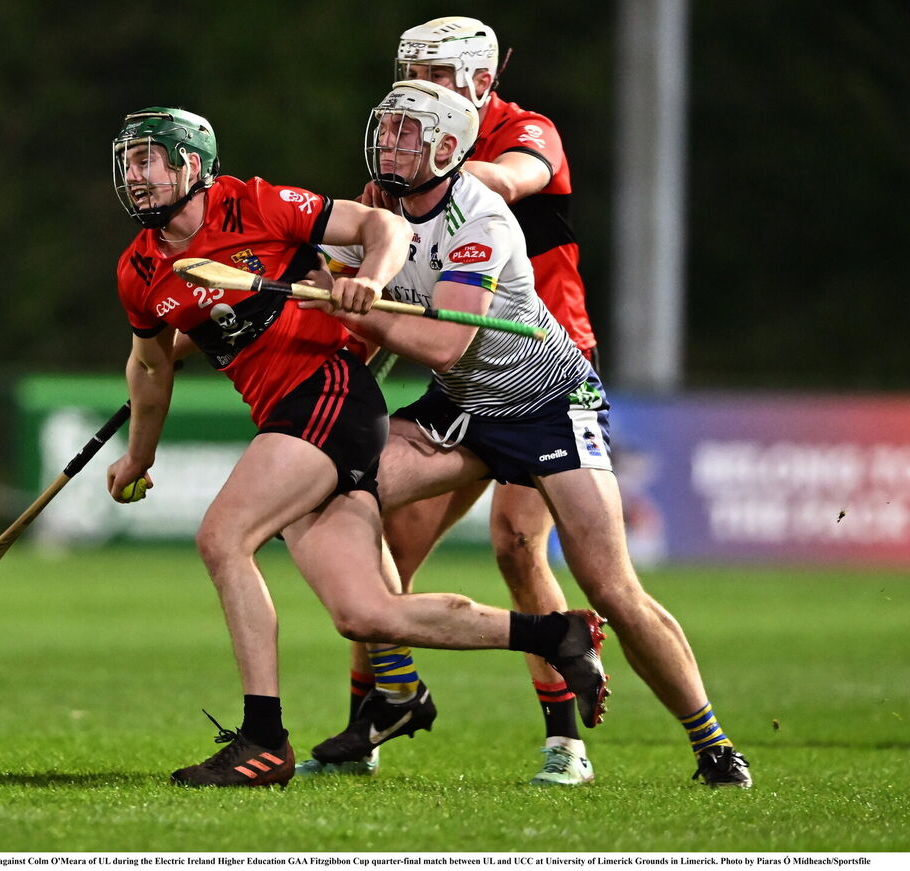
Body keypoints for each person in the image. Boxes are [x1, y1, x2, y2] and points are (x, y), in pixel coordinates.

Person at [105, 106, 610, 788]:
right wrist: (140, 454)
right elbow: (151, 366)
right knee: (365, 612)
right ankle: (555, 635)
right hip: (286, 412)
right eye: (128, 163)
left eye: (148, 161)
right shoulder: (138, 269)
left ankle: (263, 739)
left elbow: (384, 225)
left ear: (190, 165)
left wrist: (368, 279)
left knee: (223, 537)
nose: (134, 177)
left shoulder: (255, 203)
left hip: (327, 392)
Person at [301, 80, 752, 789]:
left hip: (549, 405)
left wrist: (360, 311)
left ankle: (714, 744)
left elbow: (444, 342)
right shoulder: (377, 206)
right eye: (386, 129)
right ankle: (395, 691)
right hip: (464, 410)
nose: (389, 143)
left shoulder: (482, 219)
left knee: (609, 584)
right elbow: (349, 298)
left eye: (407, 133)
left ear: (448, 146)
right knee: (339, 493)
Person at [301, 14, 604, 787]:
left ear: (476, 79)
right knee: (378, 535)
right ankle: (376, 714)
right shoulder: (407, 144)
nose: (418, 94)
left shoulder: (523, 130)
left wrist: (427, 176)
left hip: (539, 366)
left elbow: (509, 179)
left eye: (435, 80)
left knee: (516, 546)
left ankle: (565, 741)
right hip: (457, 375)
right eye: (410, 77)